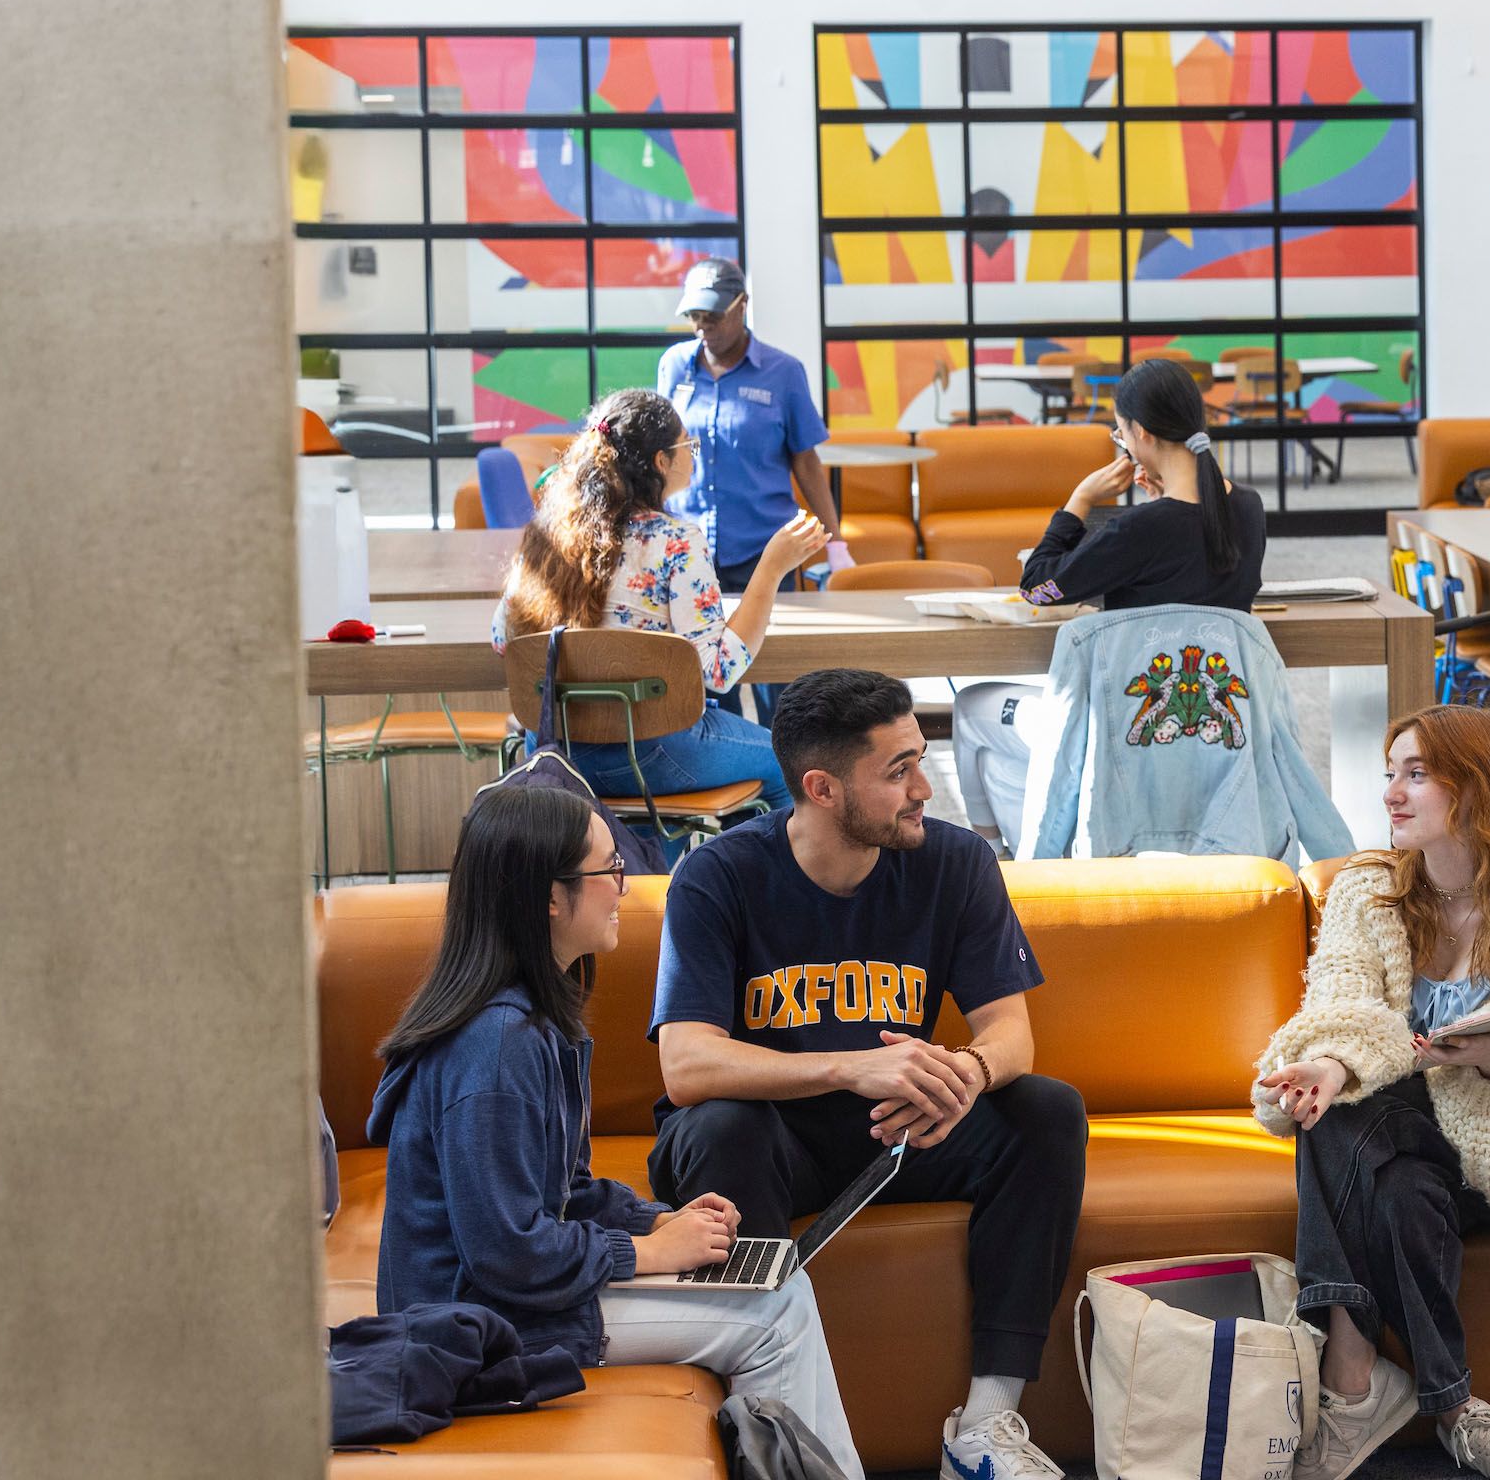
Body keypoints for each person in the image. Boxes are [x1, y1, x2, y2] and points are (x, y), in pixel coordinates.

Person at [647, 669, 1088, 1480]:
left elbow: (1010, 1035)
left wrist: (962, 1074)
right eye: (898, 772)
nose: (925, 787)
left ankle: (986, 1427)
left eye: (920, 759)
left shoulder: (954, 864)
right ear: (821, 788)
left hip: (896, 1135)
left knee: (1046, 1111)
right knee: (719, 1123)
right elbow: (686, 1063)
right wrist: (850, 1066)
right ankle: (760, 1432)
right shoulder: (718, 877)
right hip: (769, 1138)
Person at [366, 784, 863, 1475]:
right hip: (473, 1324)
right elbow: (506, 1254)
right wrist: (647, 1255)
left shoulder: (535, 1021)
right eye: (610, 872)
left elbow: (561, 1192)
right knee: (774, 1316)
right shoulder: (497, 1046)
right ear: (549, 896)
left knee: (780, 1287)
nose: (624, 888)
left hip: (507, 1299)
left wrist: (657, 1221)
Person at [1253, 705, 1490, 1480]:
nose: (1391, 792)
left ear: (1478, 789)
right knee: (1369, 1155)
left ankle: (1355, 1393)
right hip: (1403, 1145)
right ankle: (1451, 1410)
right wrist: (1330, 1066)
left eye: (1416, 774)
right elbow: (1342, 1005)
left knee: (1361, 1134)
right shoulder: (1369, 891)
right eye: (1391, 772)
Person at [951, 357, 1271, 851]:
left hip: (1123, 725)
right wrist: (1164, 495)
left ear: (1140, 433)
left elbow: (1037, 586)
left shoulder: (1138, 530)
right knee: (1004, 760)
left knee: (973, 708)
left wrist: (1078, 501)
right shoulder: (1249, 508)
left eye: (1119, 435)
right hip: (1213, 728)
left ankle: (998, 863)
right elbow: (1189, 552)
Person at [495, 387, 827, 813]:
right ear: (661, 462)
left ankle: (667, 870)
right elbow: (719, 672)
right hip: (650, 752)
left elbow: (505, 638)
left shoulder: (544, 536)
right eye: (687, 445)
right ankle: (742, 877)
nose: (693, 453)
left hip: (555, 750)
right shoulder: (677, 543)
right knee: (793, 765)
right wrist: (772, 568)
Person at [657, 257, 850, 593]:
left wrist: (835, 544)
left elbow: (805, 462)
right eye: (694, 316)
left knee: (769, 646)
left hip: (763, 551)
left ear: (741, 305)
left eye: (713, 315)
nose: (703, 326)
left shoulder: (784, 373)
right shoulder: (674, 366)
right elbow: (662, 452)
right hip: (686, 547)